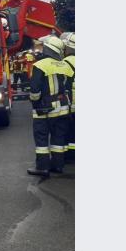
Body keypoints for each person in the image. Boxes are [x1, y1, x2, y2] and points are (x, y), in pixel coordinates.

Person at [27, 36, 74, 177]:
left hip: (44, 109)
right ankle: (57, 166)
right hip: (63, 108)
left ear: (47, 48)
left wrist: (35, 103)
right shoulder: (65, 65)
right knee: (58, 139)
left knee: (42, 139)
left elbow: (35, 90)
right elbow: (67, 85)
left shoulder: (40, 65)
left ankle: (42, 167)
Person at [60, 32, 76, 163]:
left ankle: (69, 157)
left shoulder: (66, 63)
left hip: (72, 105)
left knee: (70, 131)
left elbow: (62, 84)